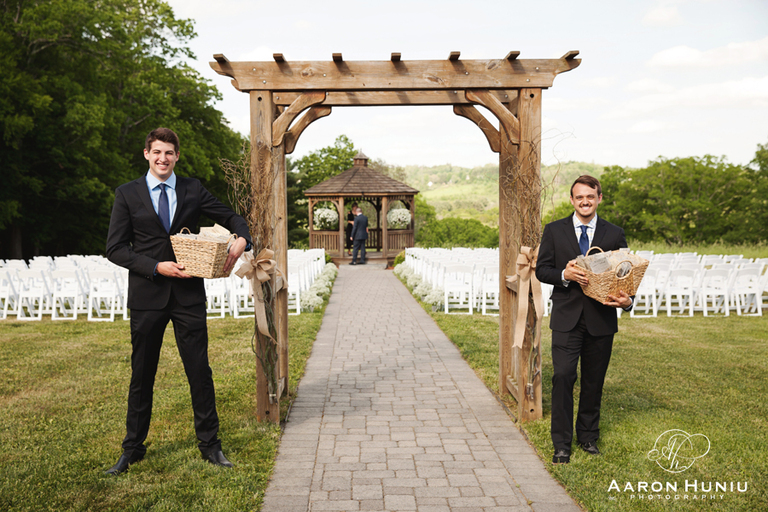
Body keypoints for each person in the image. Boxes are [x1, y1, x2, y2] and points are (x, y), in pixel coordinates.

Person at [104, 128, 252, 475]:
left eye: (169, 153)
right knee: (142, 373)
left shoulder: (192, 189)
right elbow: (115, 249)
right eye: (157, 152)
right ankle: (132, 449)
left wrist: (242, 238)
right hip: (147, 295)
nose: (163, 158)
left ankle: (211, 446)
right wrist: (156, 267)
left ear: (177, 156)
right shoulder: (127, 193)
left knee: (199, 370)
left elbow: (232, 218)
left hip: (188, 296)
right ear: (146, 154)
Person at [535, 175, 633, 465]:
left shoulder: (615, 233)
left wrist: (628, 301)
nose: (585, 201)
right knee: (563, 376)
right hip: (566, 318)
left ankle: (588, 437)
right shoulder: (554, 230)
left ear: (599, 198)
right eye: (579, 197)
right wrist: (564, 275)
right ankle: (561, 444)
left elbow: (626, 274)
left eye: (590, 196)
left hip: (601, 319)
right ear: (572, 200)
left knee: (593, 381)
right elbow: (542, 270)